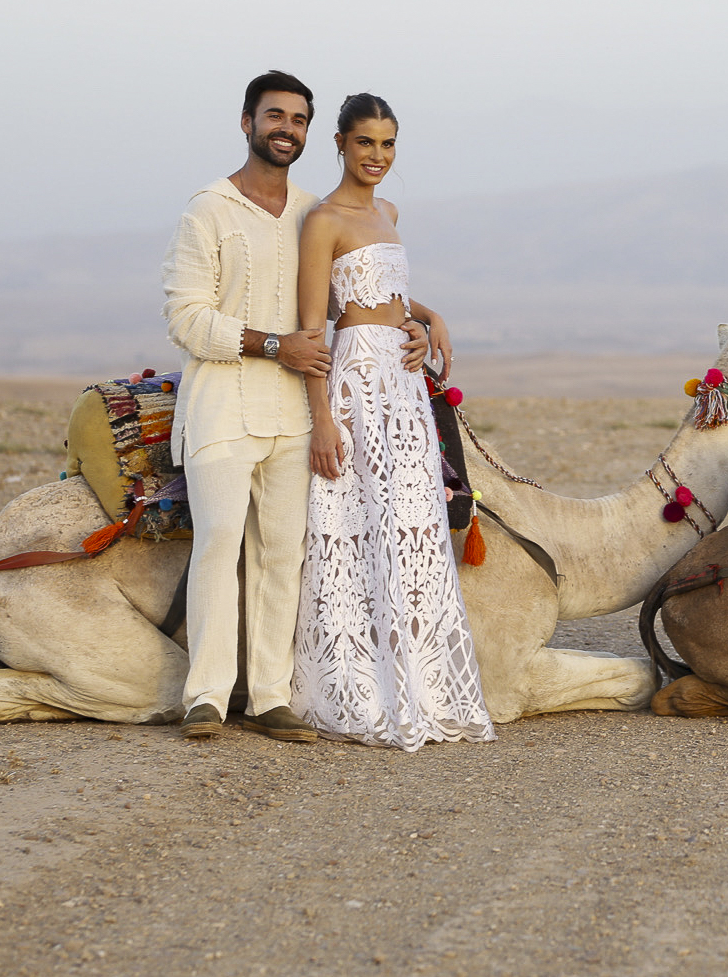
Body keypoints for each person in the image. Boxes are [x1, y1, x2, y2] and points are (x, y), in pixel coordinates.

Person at [163, 71, 408, 743]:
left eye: (298, 120)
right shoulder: (207, 209)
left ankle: (270, 695)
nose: (286, 129)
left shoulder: (312, 211)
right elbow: (185, 317)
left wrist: (415, 321)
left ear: (308, 133)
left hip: (296, 414)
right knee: (217, 544)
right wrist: (276, 345)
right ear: (247, 123)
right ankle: (207, 697)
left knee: (282, 553)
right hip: (221, 405)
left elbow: (343, 301)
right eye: (275, 116)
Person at [290, 92, 495, 750]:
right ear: (341, 144)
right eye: (365, 143)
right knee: (355, 526)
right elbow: (313, 323)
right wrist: (322, 419)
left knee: (412, 530)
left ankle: (425, 685)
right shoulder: (323, 220)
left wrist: (425, 316)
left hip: (402, 390)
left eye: (388, 144)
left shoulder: (389, 211)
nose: (378, 156)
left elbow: (388, 297)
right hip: (354, 384)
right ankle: (356, 687)